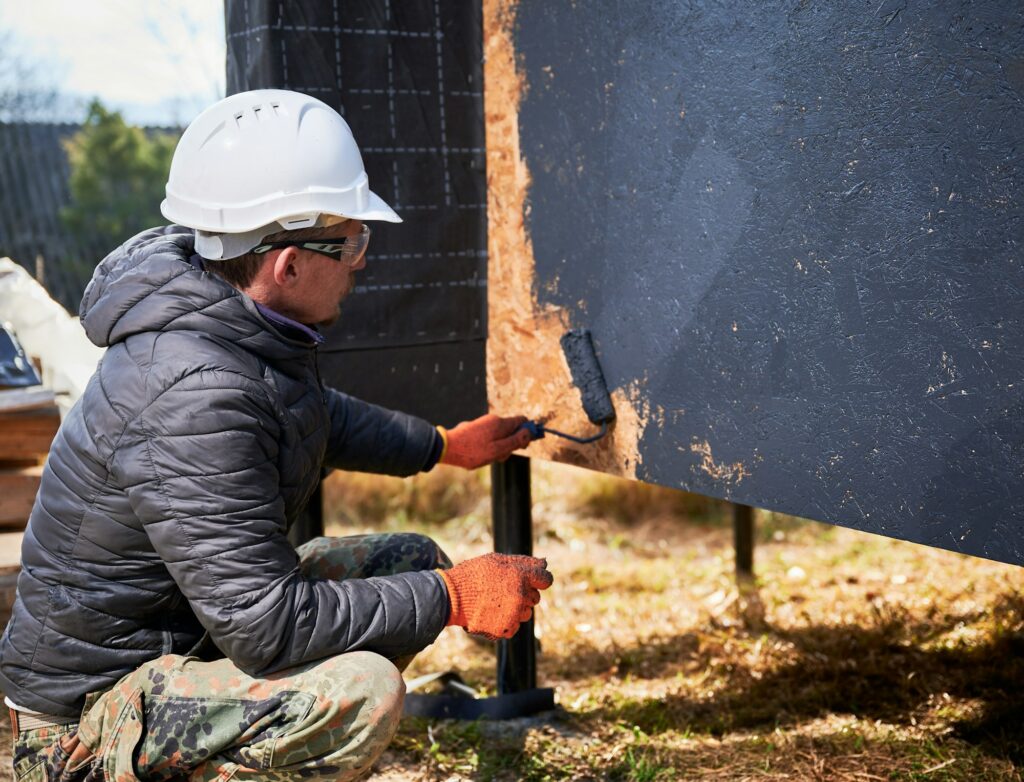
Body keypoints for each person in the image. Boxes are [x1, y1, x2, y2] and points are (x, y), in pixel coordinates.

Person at [0, 89, 552, 782]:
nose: (360, 259)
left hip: (181, 645)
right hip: (84, 725)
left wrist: (445, 445)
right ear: (287, 263)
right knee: (360, 693)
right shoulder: (192, 395)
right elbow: (269, 627)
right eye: (351, 240)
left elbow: (316, 414)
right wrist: (454, 596)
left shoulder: (221, 327)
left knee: (406, 558)